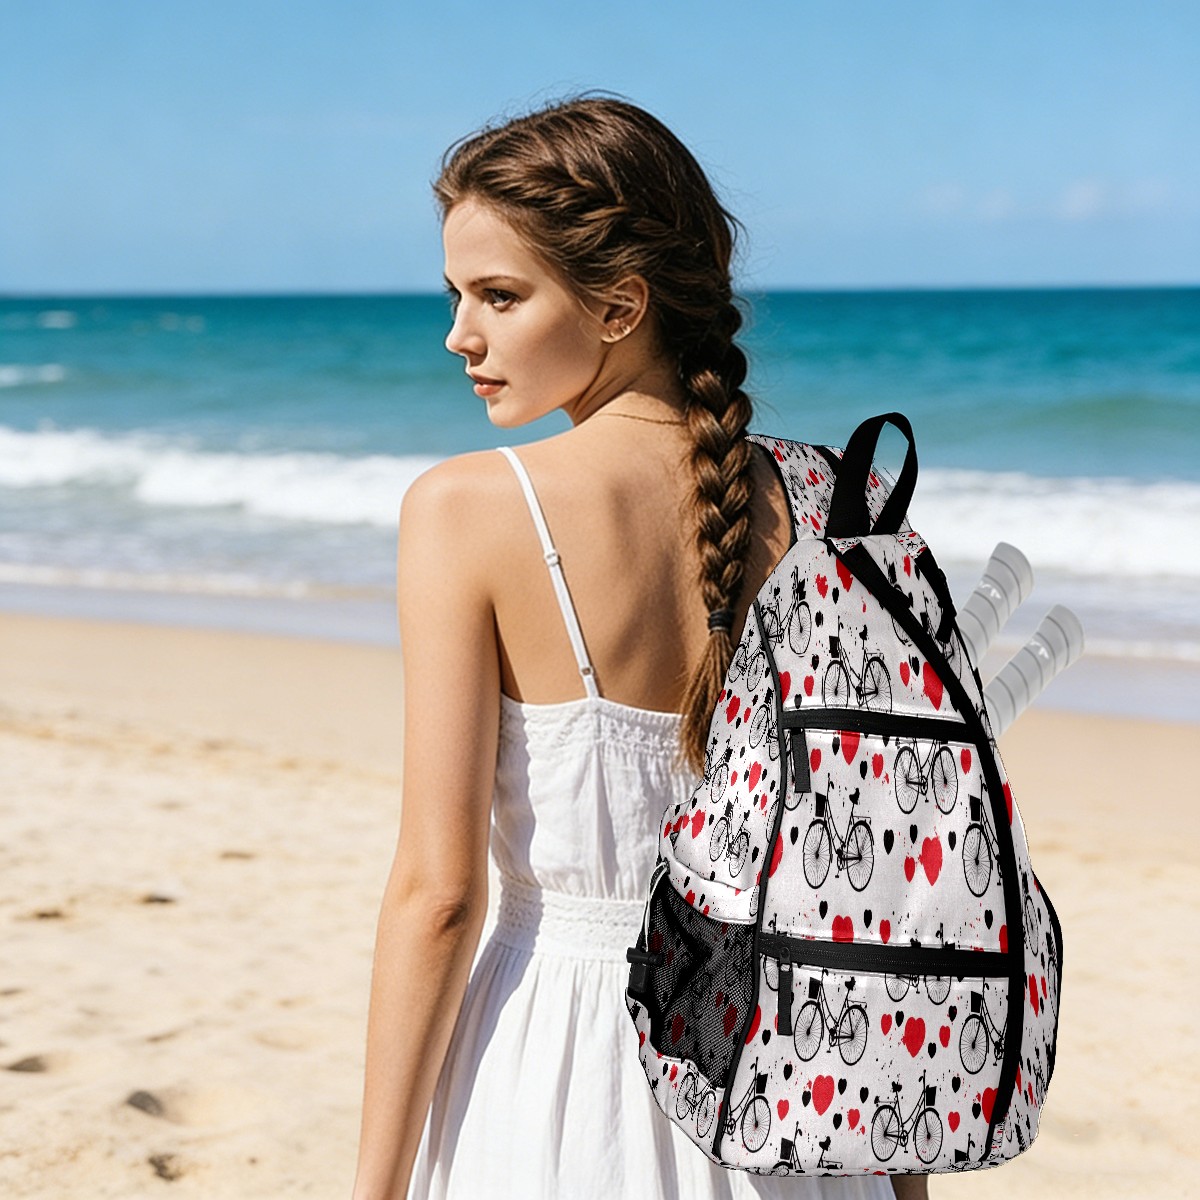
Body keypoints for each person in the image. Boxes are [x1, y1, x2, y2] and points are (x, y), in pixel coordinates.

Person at [351, 95, 929, 1200]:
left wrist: (373, 1189)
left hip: (564, 1072)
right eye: (456, 295)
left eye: (499, 296)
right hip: (795, 1084)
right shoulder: (831, 499)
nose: (460, 335)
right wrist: (902, 1187)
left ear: (620, 303)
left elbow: (439, 896)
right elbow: (882, 881)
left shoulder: (468, 511)